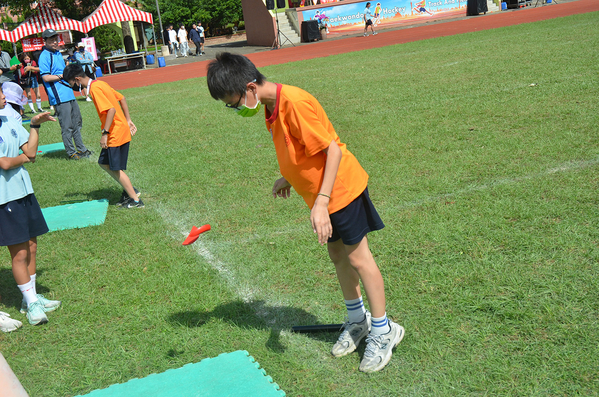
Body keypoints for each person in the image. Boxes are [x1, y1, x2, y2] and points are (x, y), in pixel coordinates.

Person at [206, 53, 404, 373]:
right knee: (338, 256)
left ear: (251, 87)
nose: (235, 109)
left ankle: (384, 331)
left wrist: (323, 202)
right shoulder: (271, 107)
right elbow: (303, 150)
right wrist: (291, 176)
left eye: (234, 102)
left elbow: (333, 150)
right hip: (322, 195)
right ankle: (358, 321)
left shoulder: (293, 103)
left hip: (340, 191)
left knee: (358, 258)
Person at [0, 85, 61, 327]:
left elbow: (31, 151)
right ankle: (31, 302)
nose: (4, 95)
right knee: (20, 252)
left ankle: (31, 298)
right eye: (0, 93)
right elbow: (4, 163)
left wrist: (34, 125)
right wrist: (23, 159)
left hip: (24, 191)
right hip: (5, 197)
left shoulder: (7, 117)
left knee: (32, 246)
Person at [63, 63, 143, 208]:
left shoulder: (94, 89)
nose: (73, 87)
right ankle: (129, 190)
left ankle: (135, 200)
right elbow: (122, 98)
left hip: (115, 133)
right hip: (119, 128)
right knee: (104, 163)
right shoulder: (100, 83)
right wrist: (128, 120)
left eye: (71, 83)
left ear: (77, 79)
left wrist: (105, 134)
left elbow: (111, 110)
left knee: (114, 168)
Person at [38, 29, 91, 160]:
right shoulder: (44, 56)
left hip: (68, 93)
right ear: (45, 41)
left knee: (77, 123)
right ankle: (71, 152)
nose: (55, 42)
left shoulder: (57, 53)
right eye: (51, 40)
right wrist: (62, 76)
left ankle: (82, 149)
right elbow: (45, 77)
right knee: (67, 126)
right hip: (59, 96)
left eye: (55, 39)